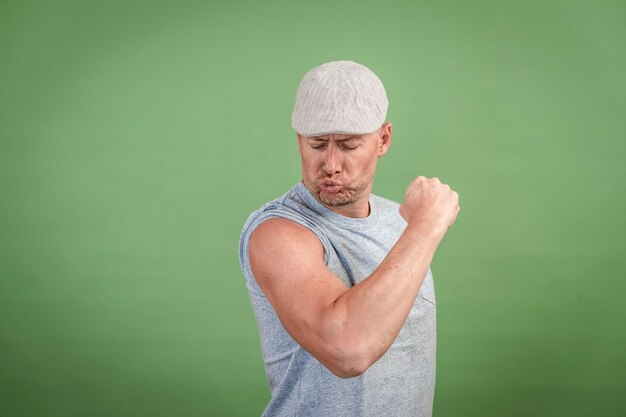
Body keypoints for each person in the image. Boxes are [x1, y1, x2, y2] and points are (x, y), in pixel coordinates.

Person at [238, 60, 460, 417]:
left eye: (348, 145)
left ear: (383, 140)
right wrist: (428, 224)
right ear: (299, 141)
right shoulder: (277, 232)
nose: (330, 163)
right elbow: (348, 350)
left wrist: (417, 227)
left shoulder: (399, 221)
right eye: (316, 144)